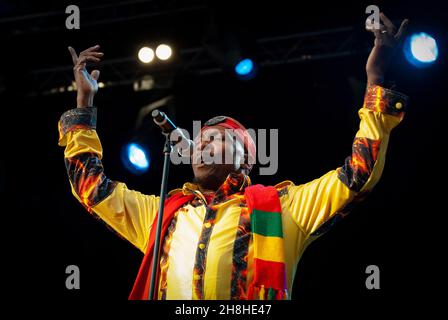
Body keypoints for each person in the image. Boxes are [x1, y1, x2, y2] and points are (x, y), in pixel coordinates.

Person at [58, 13, 409, 300]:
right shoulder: (162, 213)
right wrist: (84, 106)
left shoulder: (285, 207)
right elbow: (92, 188)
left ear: (246, 160)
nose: (203, 145)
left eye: (218, 139)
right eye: (200, 139)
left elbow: (358, 174)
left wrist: (375, 79)